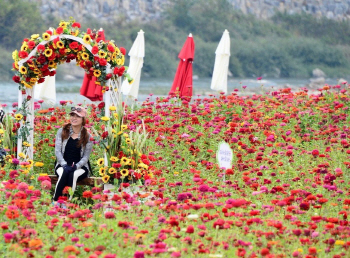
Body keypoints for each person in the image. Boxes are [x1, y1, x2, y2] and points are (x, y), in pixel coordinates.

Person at [53, 106, 93, 205]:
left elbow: (86, 157)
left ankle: (66, 203)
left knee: (73, 174)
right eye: (72, 115)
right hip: (62, 164)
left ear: (83, 119)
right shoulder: (62, 132)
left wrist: (76, 166)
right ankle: (56, 201)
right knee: (64, 172)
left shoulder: (88, 136)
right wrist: (64, 164)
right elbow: (57, 151)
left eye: (77, 116)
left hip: (81, 167)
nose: (74, 118)